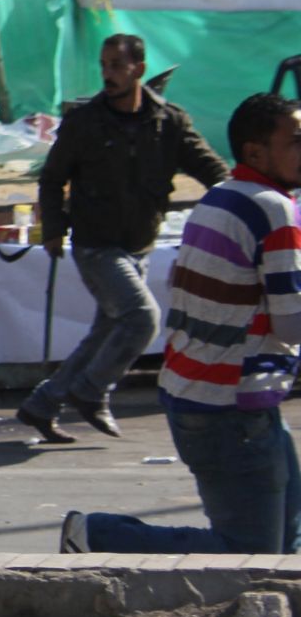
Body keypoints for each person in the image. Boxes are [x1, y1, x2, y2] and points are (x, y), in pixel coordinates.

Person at [60, 92, 301, 555]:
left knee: (285, 544)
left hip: (202, 394)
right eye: (296, 140)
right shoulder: (273, 211)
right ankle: (97, 535)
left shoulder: (222, 198)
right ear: (255, 152)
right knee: (248, 553)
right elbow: (291, 325)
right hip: (230, 406)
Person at [16, 34, 229, 444]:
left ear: (139, 69)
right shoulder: (85, 122)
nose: (108, 74)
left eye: (117, 65)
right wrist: (56, 230)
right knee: (141, 318)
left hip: (139, 243)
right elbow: (53, 177)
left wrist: (241, 194)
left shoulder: (169, 121)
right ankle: (93, 392)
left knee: (105, 331)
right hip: (96, 243)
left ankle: (43, 404)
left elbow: (207, 166)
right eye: (104, 65)